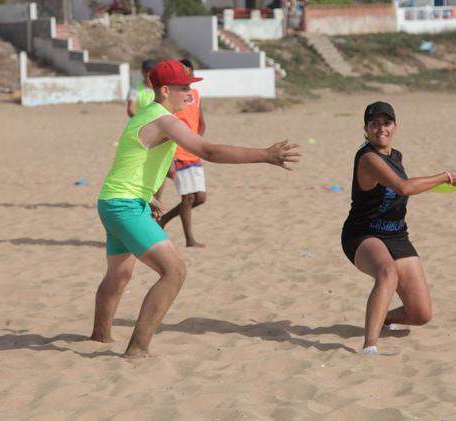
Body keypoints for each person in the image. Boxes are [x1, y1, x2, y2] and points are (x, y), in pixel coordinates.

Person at [91, 60, 300, 357]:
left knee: (119, 275)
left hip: (113, 200)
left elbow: (131, 159)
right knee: (174, 271)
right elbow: (209, 151)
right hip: (123, 204)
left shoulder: (146, 115)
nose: (190, 93)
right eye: (184, 88)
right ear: (165, 91)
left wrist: (147, 195)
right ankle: (137, 350)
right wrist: (265, 154)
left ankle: (99, 337)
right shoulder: (164, 120)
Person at [340, 101, 456, 355]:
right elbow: (403, 187)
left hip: (396, 234)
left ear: (395, 126)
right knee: (387, 273)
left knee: (420, 314)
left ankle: (384, 317)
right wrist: (446, 176)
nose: (380, 128)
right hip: (363, 233)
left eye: (386, 123)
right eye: (373, 124)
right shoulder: (367, 158)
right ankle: (369, 347)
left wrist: (436, 184)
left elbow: (405, 187)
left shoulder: (396, 156)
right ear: (365, 129)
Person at [158, 59, 208, 247]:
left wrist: (197, 142)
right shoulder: (171, 98)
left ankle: (163, 220)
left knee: (200, 198)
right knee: (187, 197)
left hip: (193, 153)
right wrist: (170, 156)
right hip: (177, 153)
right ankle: (190, 239)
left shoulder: (195, 94)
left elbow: (201, 122)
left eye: (188, 74)